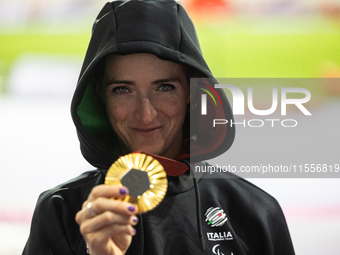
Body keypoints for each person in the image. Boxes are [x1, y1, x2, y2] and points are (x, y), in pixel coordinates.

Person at [22, 1, 295, 254]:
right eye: (122, 90)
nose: (145, 114)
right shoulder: (60, 212)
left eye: (165, 87)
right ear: (100, 96)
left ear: (192, 90)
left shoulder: (255, 212)